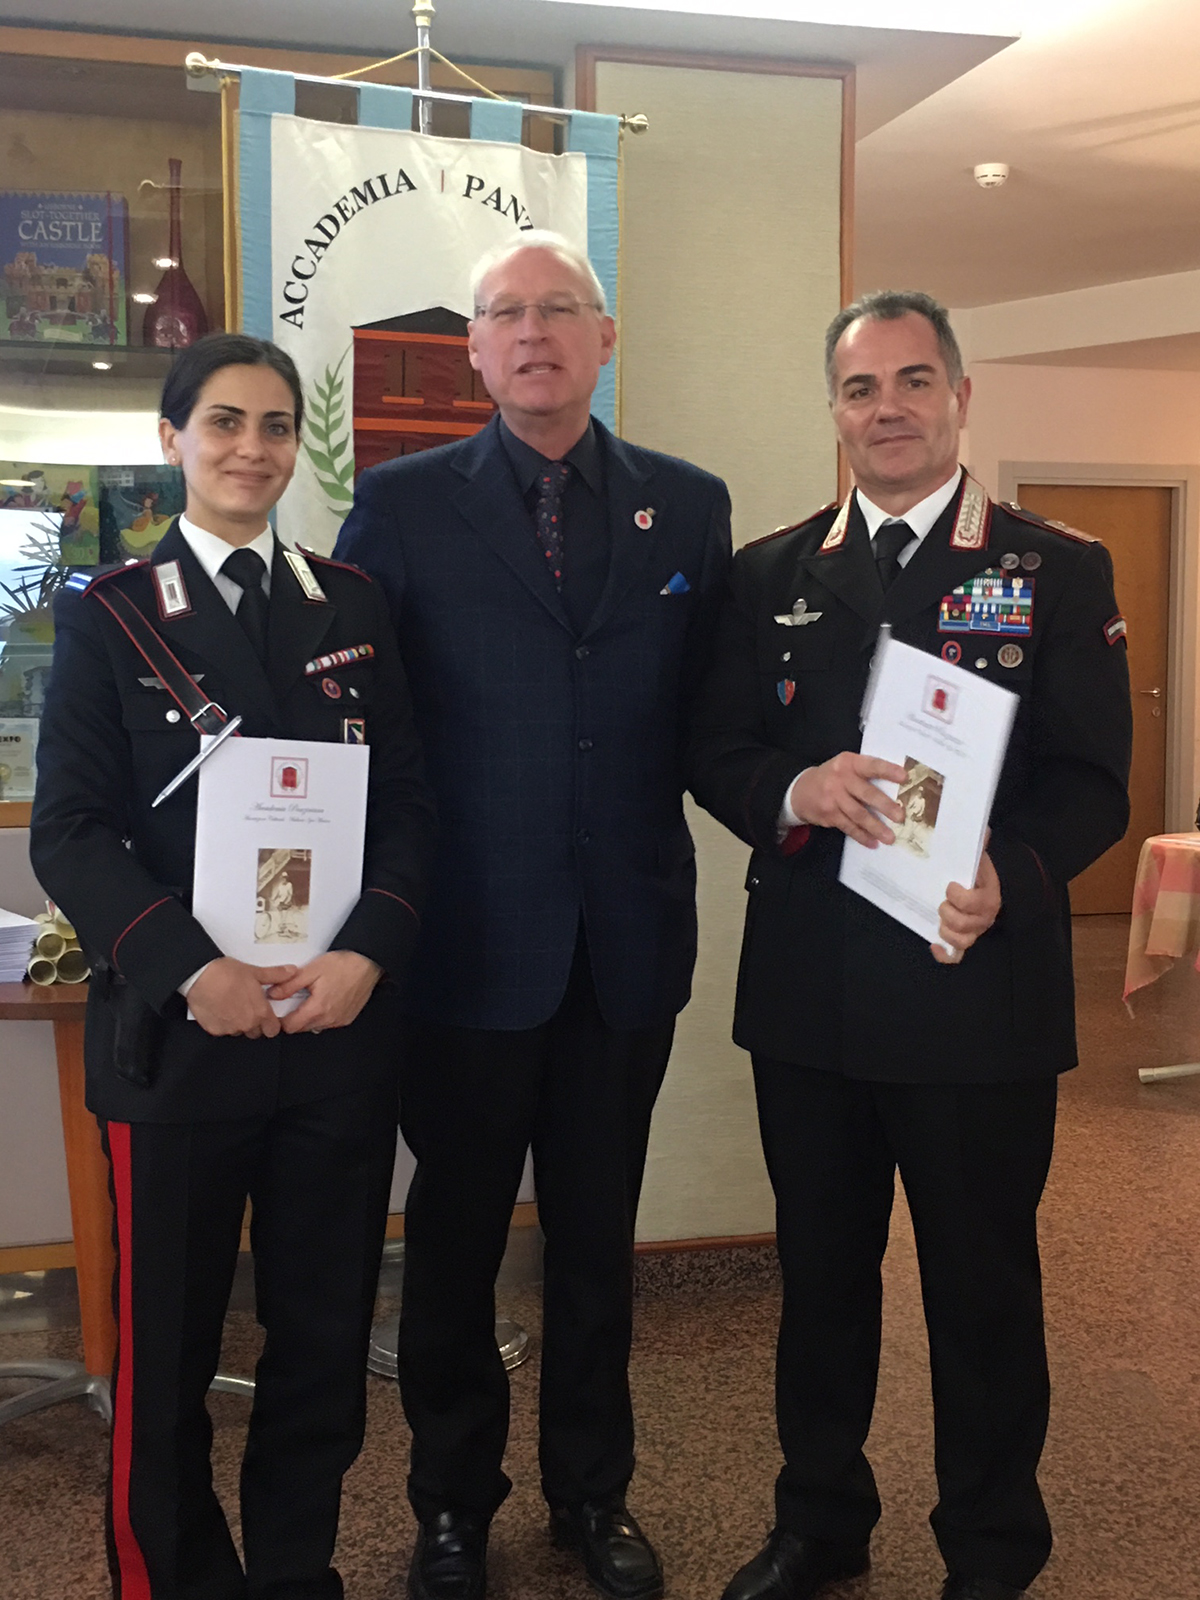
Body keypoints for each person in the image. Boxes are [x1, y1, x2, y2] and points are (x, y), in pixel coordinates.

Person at [687, 291, 1131, 1600]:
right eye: (862, 387)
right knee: (820, 1286)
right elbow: (715, 750)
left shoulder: (1054, 566)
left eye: (914, 382)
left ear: (959, 397)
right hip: (813, 1000)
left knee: (980, 1290)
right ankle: (820, 1521)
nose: (888, 408)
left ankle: (992, 1545)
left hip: (972, 991)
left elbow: (1095, 780)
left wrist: (1018, 871)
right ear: (834, 408)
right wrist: (791, 789)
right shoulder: (768, 573)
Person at [334, 230, 732, 1600]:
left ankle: (592, 1493)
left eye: (559, 309)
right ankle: (452, 1506)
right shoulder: (399, 506)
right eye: (506, 314)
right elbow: (358, 724)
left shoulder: (686, 507)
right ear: (475, 353)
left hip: (622, 946)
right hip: (459, 949)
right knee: (449, 1248)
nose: (533, 332)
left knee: (595, 1247)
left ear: (603, 338)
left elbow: (714, 717)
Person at [30, 332, 436, 1600]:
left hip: (333, 1037)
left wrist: (371, 949)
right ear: (173, 443)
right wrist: (187, 966)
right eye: (222, 423)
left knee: (320, 1344)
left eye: (273, 427)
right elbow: (72, 828)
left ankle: (294, 1573)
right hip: (180, 1044)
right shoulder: (107, 614)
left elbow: (413, 806)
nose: (250, 449)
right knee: (165, 1358)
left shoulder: (352, 605)